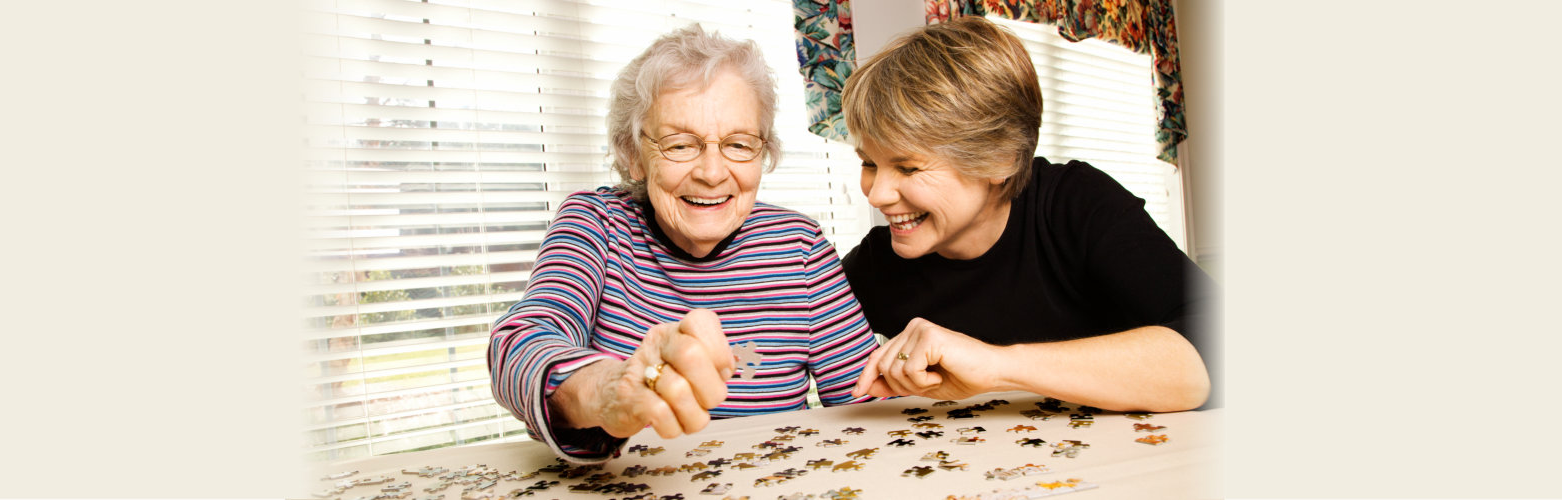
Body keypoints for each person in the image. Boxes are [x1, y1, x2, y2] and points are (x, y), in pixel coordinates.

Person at [488, 24, 882, 464]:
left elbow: (868, 403)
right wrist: (607, 389)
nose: (712, 173)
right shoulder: (595, 223)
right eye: (679, 144)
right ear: (632, 154)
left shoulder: (799, 246)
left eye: (738, 144)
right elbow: (518, 344)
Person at [840, 17, 1217, 412]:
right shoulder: (876, 262)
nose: (877, 194)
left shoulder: (1077, 204)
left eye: (908, 167)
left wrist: (997, 366)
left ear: (999, 158)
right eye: (869, 163)